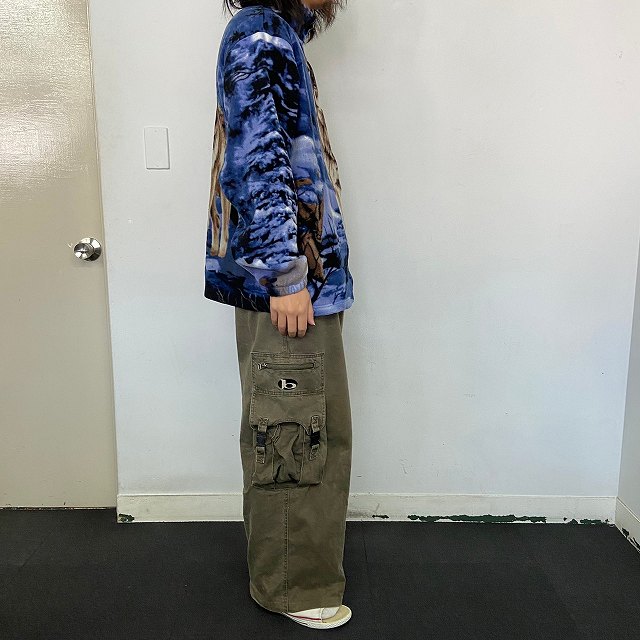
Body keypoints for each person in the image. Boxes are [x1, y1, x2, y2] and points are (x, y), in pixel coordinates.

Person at [204, 0, 354, 630]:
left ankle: (296, 572)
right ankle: (294, 588)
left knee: (308, 426)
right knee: (295, 433)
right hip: (292, 285)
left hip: (303, 283)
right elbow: (256, 161)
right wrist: (285, 273)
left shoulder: (279, 35)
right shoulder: (259, 34)